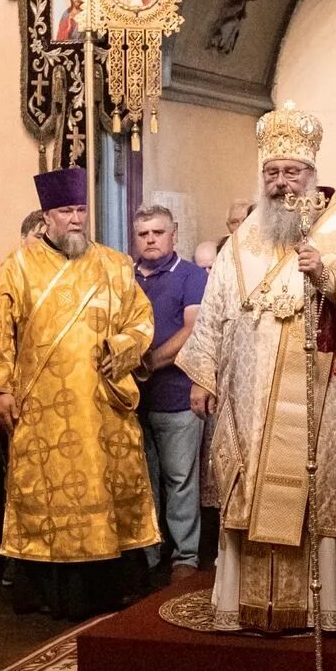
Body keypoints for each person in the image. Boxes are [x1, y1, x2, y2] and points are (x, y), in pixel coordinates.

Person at [177, 104, 336, 633]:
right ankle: (248, 605)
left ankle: (322, 607)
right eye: (272, 172)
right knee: (248, 488)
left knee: (315, 494)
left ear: (312, 176)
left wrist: (329, 280)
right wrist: (202, 375)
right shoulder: (244, 238)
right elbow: (217, 306)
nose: (280, 182)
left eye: (292, 171)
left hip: (318, 396)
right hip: (248, 393)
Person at [0, 166, 158, 618]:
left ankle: (115, 588)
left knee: (108, 488)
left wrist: (125, 347)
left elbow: (141, 320)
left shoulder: (114, 264)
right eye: (65, 210)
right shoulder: (17, 268)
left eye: (80, 209)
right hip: (44, 412)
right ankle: (51, 594)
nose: (75, 218)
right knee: (47, 499)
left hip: (104, 406)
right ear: (46, 218)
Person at [129, 202, 209, 574]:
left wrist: (148, 362)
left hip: (177, 396)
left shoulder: (192, 275)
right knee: (142, 481)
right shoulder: (125, 276)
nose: (150, 239)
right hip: (130, 401)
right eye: (143, 233)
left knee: (179, 480)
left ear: (173, 232)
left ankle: (186, 556)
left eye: (157, 232)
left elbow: (192, 330)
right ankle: (148, 553)